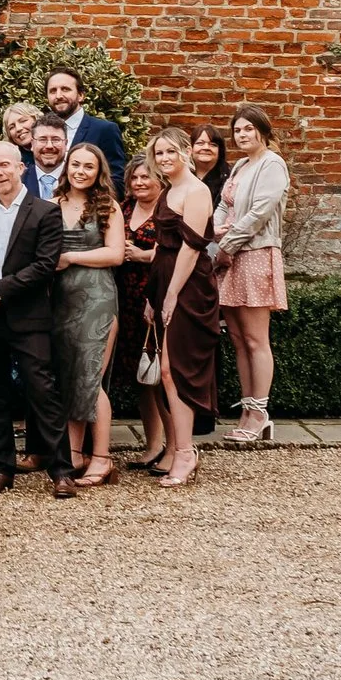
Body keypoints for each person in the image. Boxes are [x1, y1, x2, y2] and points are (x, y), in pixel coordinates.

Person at [0, 139, 74, 496]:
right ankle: (1, 469)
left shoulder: (44, 211)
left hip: (28, 316)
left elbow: (44, 266)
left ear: (20, 167)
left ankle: (60, 471)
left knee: (42, 392)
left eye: (4, 165)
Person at [213, 104, 290, 449]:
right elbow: (223, 205)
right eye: (237, 130)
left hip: (256, 254)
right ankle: (246, 409)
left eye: (248, 129)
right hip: (231, 255)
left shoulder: (272, 164)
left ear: (263, 130)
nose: (242, 135)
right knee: (239, 339)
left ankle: (260, 413)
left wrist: (226, 244)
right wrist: (215, 232)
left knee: (257, 339)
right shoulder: (241, 165)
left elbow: (259, 213)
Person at [150, 128, 222, 489]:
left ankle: (185, 452)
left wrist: (172, 295)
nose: (163, 158)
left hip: (189, 287)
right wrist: (154, 296)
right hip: (165, 281)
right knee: (165, 371)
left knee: (175, 370)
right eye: (158, 153)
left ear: (184, 152)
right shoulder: (168, 189)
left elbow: (191, 249)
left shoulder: (197, 191)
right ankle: (180, 448)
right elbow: (163, 250)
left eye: (170, 151)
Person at [54, 141, 127, 486]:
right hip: (59, 300)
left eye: (88, 167)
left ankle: (103, 458)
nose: (80, 172)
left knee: (90, 376)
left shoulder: (108, 206)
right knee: (68, 375)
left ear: (98, 173)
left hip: (97, 297)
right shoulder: (52, 205)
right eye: (76, 165)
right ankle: (73, 454)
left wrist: (70, 258)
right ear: (67, 167)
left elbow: (114, 254)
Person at [118, 150, 171, 474]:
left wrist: (141, 255)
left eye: (145, 176)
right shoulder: (124, 207)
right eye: (134, 177)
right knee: (142, 376)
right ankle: (153, 444)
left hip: (157, 298)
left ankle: (178, 447)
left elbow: (177, 252)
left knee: (164, 379)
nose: (139, 182)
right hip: (126, 300)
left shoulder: (168, 209)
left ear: (159, 179)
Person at [45, 66, 127, 185]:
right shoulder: (41, 132)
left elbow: (116, 180)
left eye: (65, 89)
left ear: (81, 95)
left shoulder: (104, 130)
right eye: (53, 91)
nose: (58, 96)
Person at [27, 116, 71, 201]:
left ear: (66, 144)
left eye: (56, 139)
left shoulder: (77, 180)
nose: (49, 146)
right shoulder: (19, 179)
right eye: (42, 139)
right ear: (32, 144)